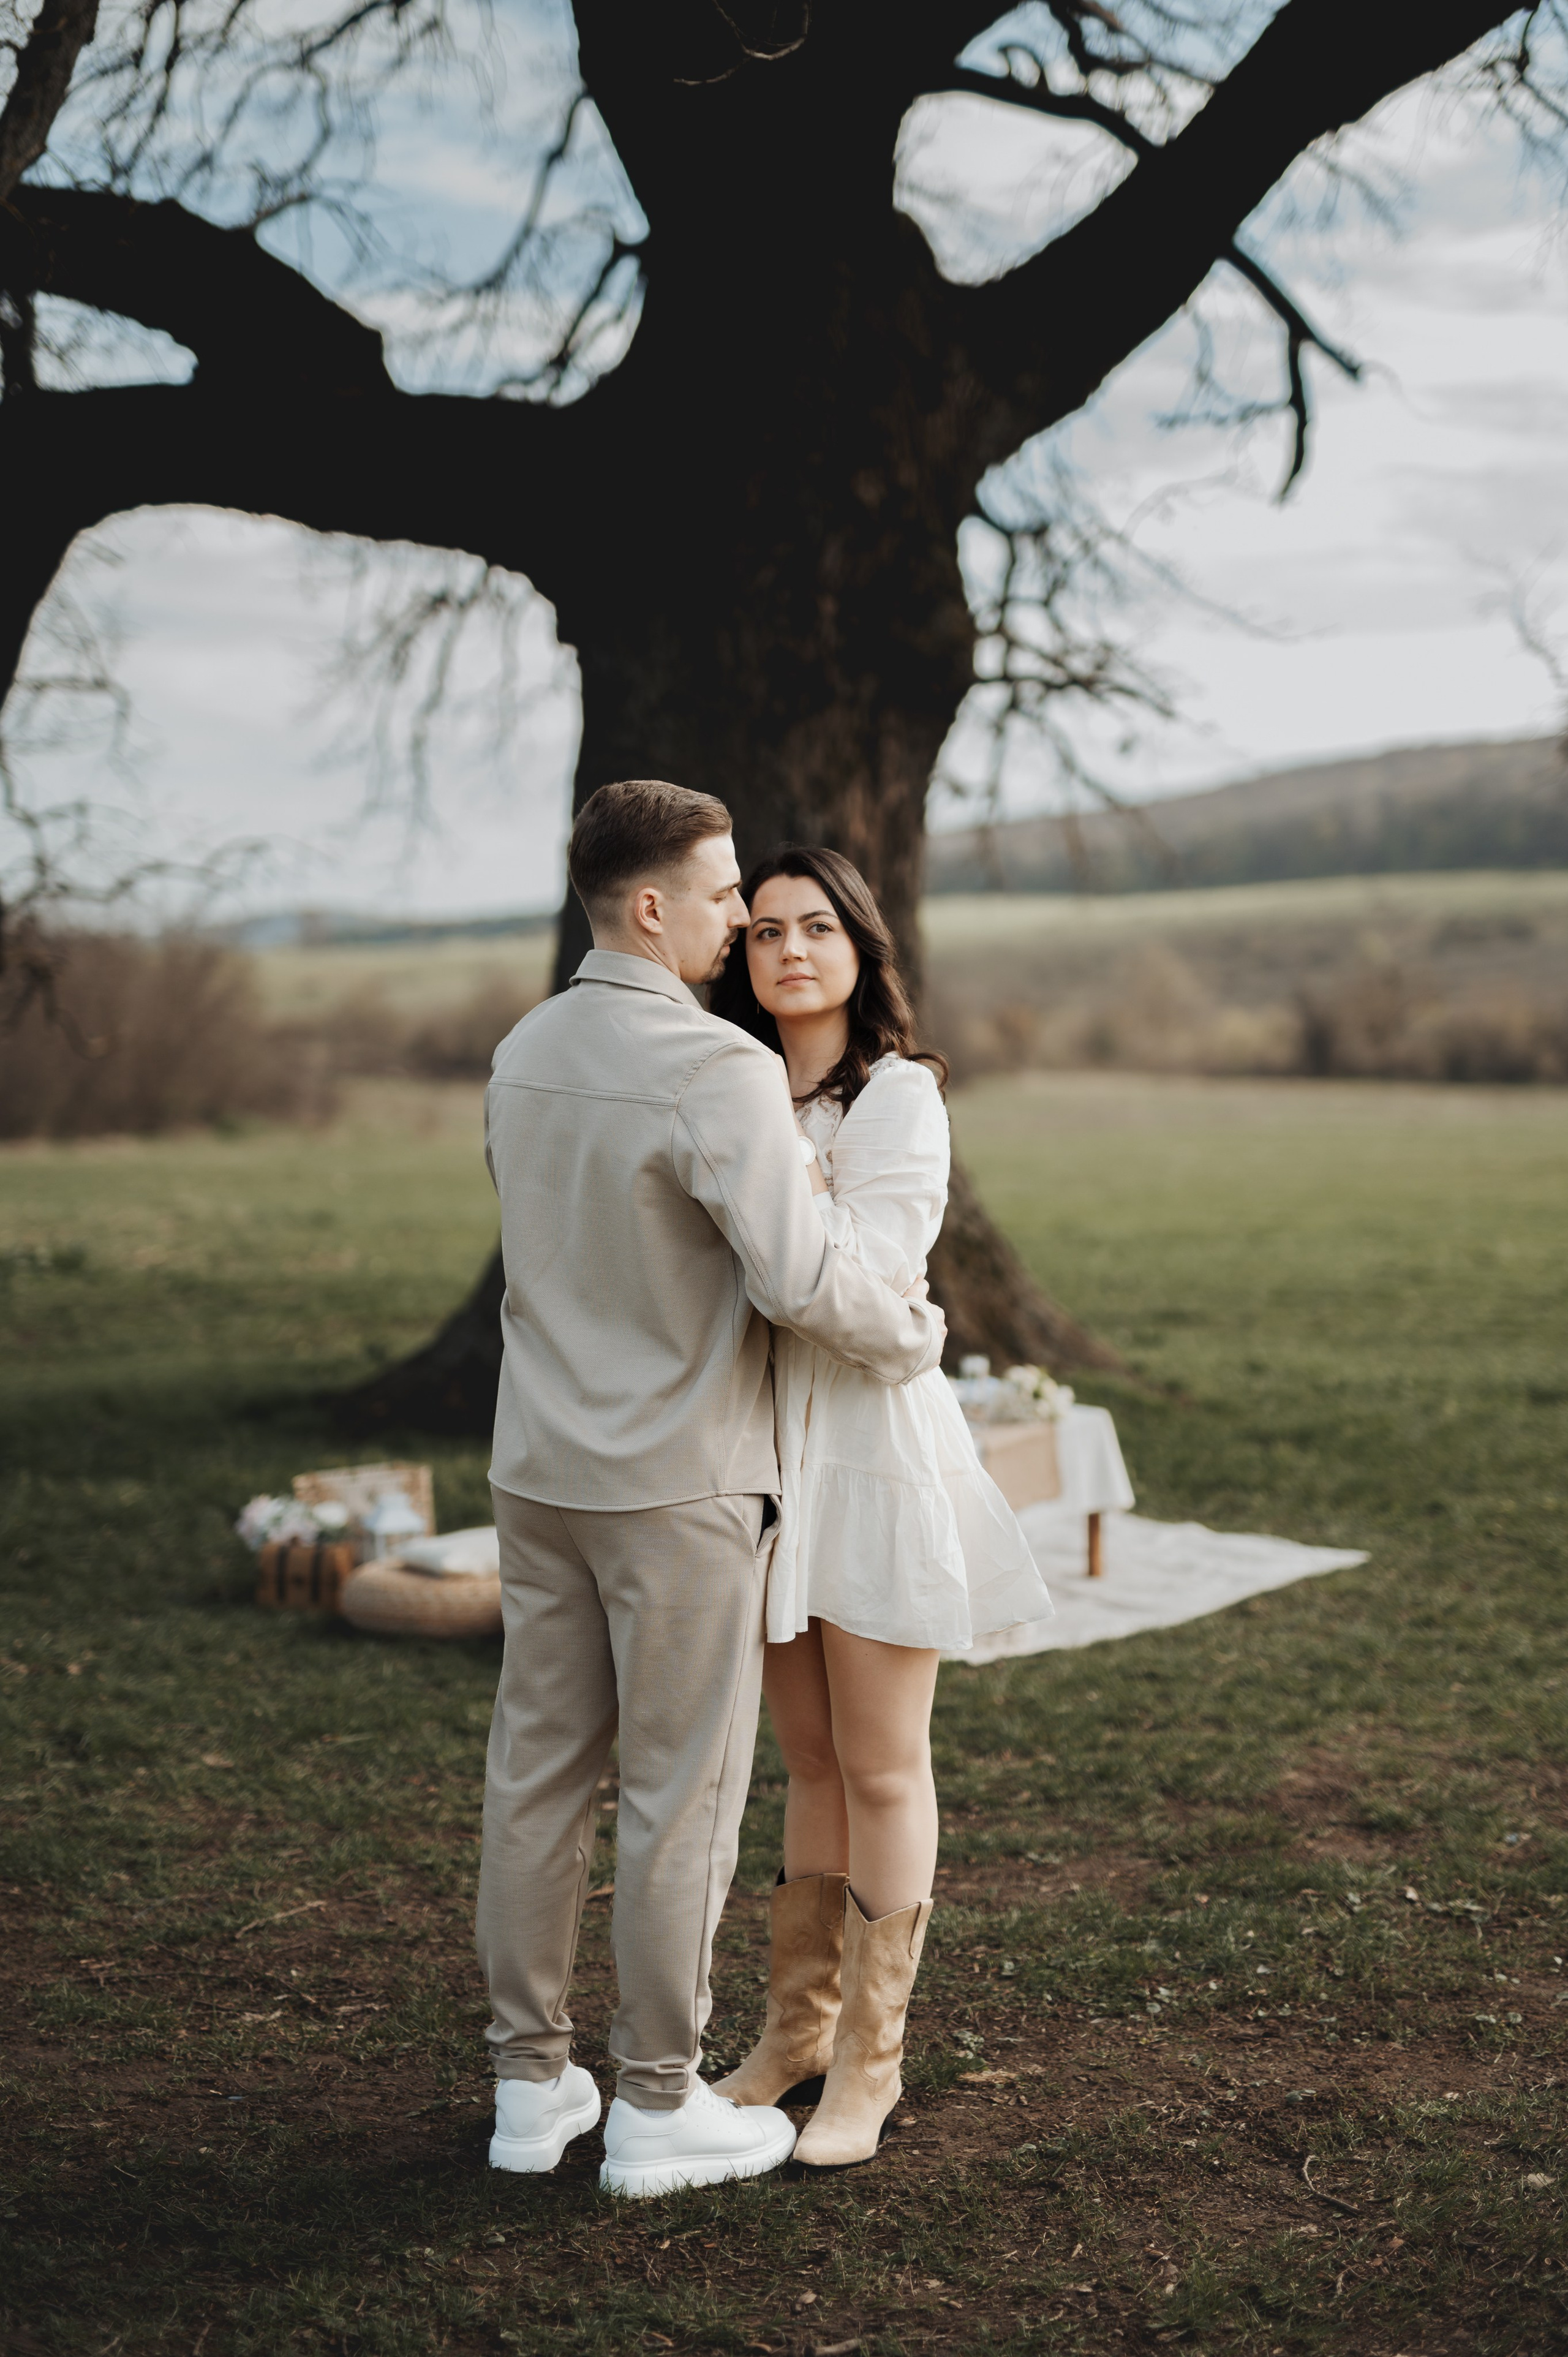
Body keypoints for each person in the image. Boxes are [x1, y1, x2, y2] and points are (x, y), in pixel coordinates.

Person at [475, 782, 947, 2199]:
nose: (743, 914)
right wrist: (920, 1331)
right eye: (725, 889)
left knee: (535, 1778)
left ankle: (524, 2087)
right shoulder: (711, 1065)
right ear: (648, 907)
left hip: (535, 1469)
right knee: (679, 1798)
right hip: (675, 1482)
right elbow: (802, 1278)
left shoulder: (521, 1049)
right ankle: (659, 2104)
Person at [708, 846, 1051, 2168]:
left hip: (868, 1455)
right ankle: (793, 2029)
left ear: (860, 946)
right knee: (803, 1763)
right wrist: (849, 1286)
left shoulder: (898, 1096)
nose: (788, 949)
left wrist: (857, 1297)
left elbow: (858, 1275)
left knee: (882, 1760)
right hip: (763, 1456)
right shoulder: (731, 1091)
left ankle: (870, 2059)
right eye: (764, 933)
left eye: (816, 927)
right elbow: (755, 1284)